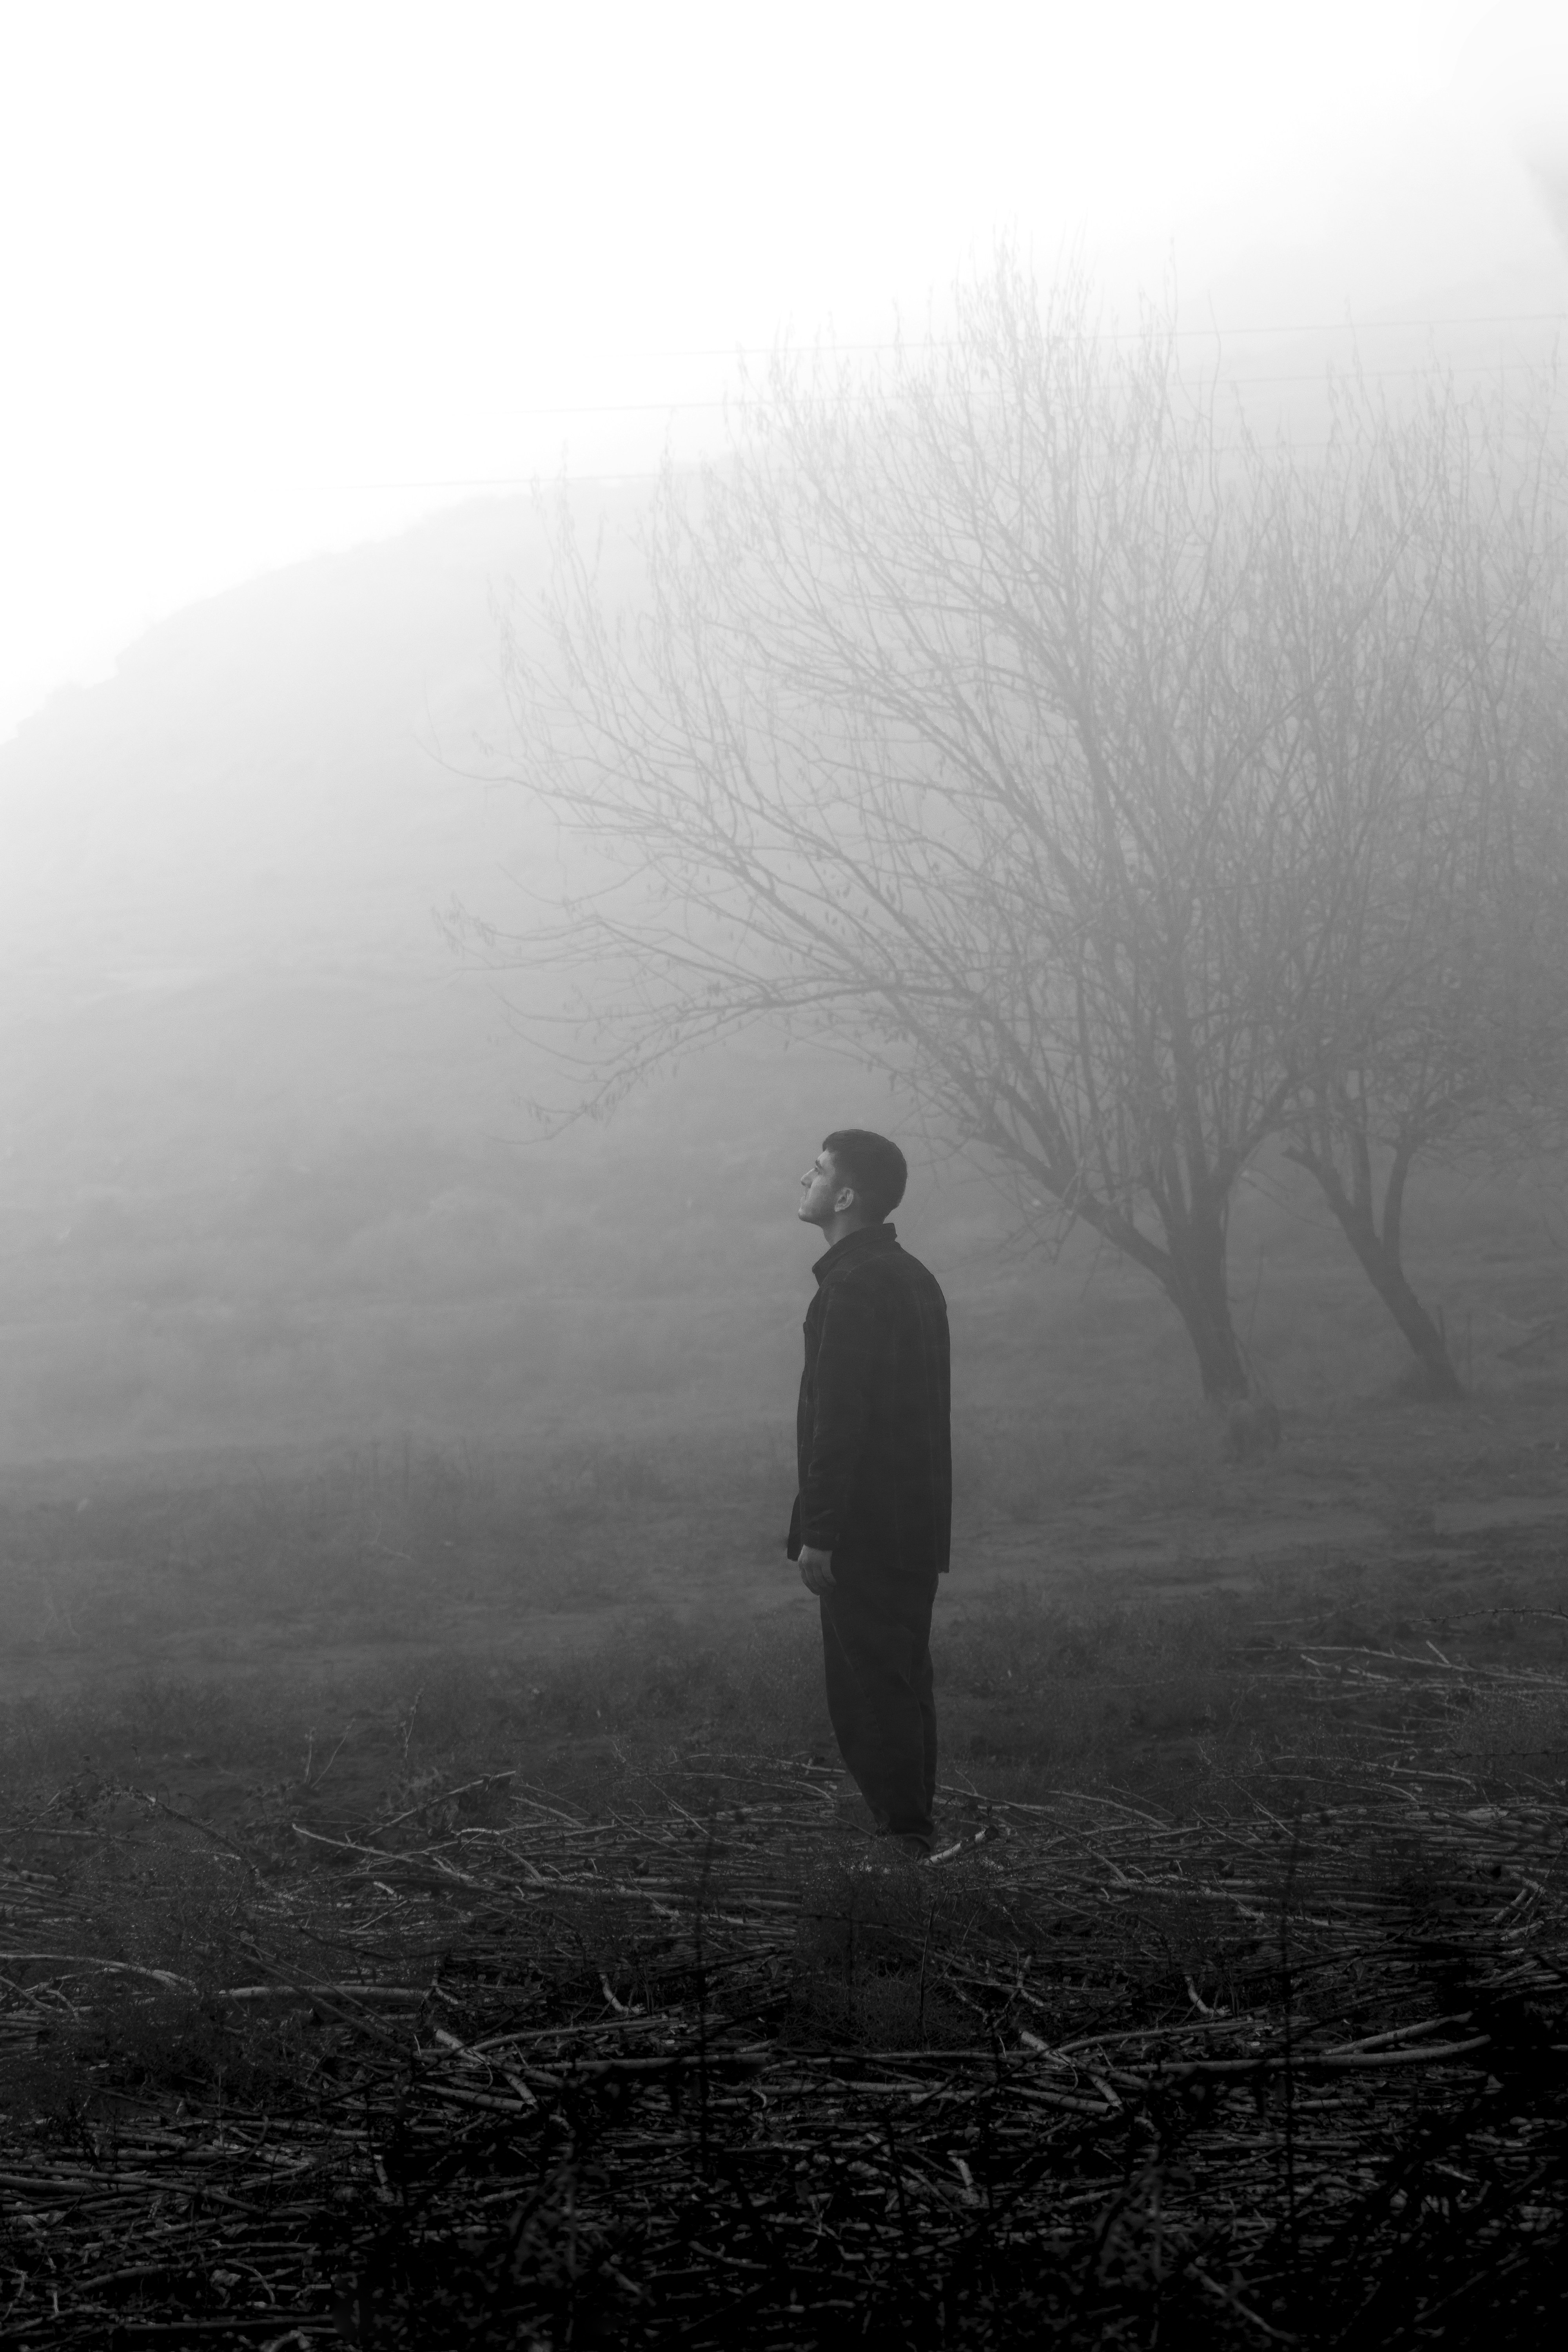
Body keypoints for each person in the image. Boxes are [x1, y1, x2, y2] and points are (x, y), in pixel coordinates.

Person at [787, 1129, 951, 1857]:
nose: (807, 1179)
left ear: (847, 1195)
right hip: (915, 1524)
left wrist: (820, 1531)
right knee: (904, 1683)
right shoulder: (912, 1275)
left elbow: (840, 1421)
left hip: (863, 1530)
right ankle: (915, 1833)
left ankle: (906, 1843)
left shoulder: (852, 1287)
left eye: (819, 1170)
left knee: (868, 1695)